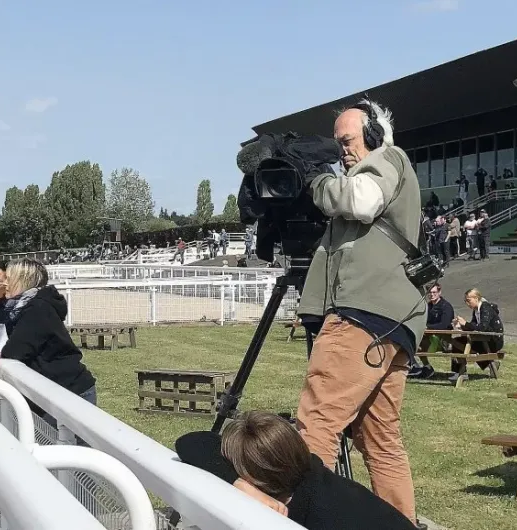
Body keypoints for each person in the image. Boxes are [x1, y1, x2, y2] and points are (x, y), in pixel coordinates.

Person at [294, 99, 424, 524]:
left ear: (373, 135)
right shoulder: (379, 172)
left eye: (348, 140)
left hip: (362, 314)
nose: (342, 151)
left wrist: (315, 182)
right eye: (338, 143)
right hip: (394, 320)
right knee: (379, 439)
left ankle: (309, 519)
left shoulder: (387, 158)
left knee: (317, 423)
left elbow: (363, 201)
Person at [175, 411, 417, 530]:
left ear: (257, 477)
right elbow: (191, 442)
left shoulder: (326, 513)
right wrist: (242, 485)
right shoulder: (302, 472)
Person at [0, 258, 98, 425]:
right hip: (52, 390)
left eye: (8, 279)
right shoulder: (20, 307)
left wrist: (0, 353)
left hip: (70, 391)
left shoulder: (38, 308)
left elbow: (15, 351)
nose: (5, 284)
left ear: (23, 280)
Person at [409, 283, 454, 379]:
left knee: (416, 344)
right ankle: (422, 367)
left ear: (439, 292)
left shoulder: (446, 306)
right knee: (409, 340)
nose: (432, 295)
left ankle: (420, 367)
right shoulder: (428, 306)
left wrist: (427, 327)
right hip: (428, 336)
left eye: (434, 292)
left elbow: (444, 325)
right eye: (429, 292)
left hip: (443, 339)